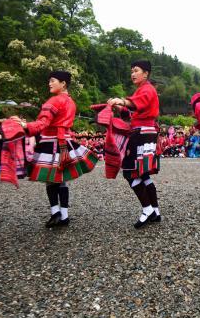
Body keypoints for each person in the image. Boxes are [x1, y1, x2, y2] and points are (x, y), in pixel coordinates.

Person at [16, 71, 98, 227]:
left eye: (52, 80)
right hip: (65, 141)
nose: (49, 83)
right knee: (62, 180)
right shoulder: (71, 102)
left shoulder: (54, 101)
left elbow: (43, 123)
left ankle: (55, 213)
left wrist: (25, 126)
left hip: (50, 141)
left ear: (63, 83)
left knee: (50, 180)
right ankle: (64, 215)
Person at [107, 60, 162, 228]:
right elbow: (135, 109)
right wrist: (120, 107)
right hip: (145, 131)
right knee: (143, 174)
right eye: (131, 70)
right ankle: (155, 210)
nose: (133, 73)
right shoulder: (143, 89)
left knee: (130, 173)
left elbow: (135, 104)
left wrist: (122, 101)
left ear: (146, 73)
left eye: (136, 70)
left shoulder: (146, 89)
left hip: (141, 133)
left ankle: (147, 210)